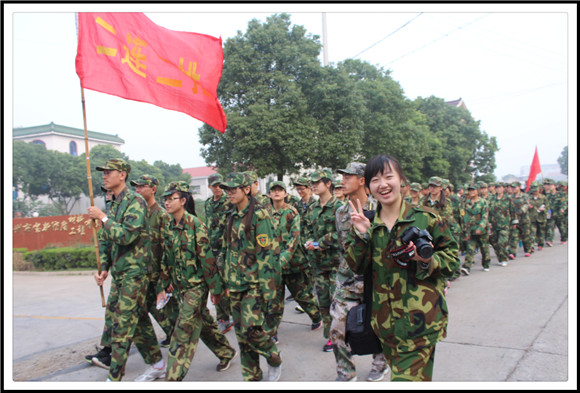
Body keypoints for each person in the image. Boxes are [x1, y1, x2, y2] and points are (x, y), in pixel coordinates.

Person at [346, 154, 459, 381]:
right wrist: (362, 235)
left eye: (389, 177)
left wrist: (426, 259)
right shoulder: (367, 223)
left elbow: (452, 262)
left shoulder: (426, 219)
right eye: (375, 180)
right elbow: (356, 266)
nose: (383, 185)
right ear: (368, 187)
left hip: (421, 324)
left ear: (401, 180)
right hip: (385, 327)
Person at [87, 159, 164, 382]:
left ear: (122, 175)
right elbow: (107, 240)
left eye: (108, 172)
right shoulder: (114, 205)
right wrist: (103, 268)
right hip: (120, 273)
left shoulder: (135, 201)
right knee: (137, 321)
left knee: (121, 326)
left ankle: (114, 378)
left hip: (135, 273)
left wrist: (102, 218)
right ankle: (158, 364)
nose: (104, 176)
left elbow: (127, 235)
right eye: (102, 172)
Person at [156, 181, 236, 381]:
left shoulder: (195, 225)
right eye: (164, 199)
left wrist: (216, 290)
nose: (166, 203)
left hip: (196, 287)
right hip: (181, 286)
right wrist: (165, 282)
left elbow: (207, 260)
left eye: (171, 199)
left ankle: (173, 378)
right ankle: (226, 352)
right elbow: (166, 256)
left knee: (183, 330)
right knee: (204, 323)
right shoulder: (168, 225)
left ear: (183, 201)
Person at [219, 172, 282, 381]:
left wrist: (269, 291)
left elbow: (266, 256)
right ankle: (252, 376)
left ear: (246, 190)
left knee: (252, 331)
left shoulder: (259, 216)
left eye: (233, 189)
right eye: (227, 189)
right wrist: (225, 280)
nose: (229, 193)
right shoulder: (231, 216)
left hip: (254, 284)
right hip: (235, 284)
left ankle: (273, 357)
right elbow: (227, 251)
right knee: (241, 336)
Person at [330, 162, 389, 382]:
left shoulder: (381, 208)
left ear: (362, 180)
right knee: (337, 329)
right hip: (347, 282)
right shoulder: (340, 212)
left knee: (379, 327)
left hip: (375, 282)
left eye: (348, 177)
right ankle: (346, 373)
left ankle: (380, 363)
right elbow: (342, 248)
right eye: (342, 177)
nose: (343, 181)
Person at [265, 181, 322, 343]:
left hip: (293, 264)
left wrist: (282, 259)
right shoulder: (265, 212)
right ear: (269, 194)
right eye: (273, 190)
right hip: (273, 264)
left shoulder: (291, 212)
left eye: (280, 190)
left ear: (285, 194)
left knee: (302, 296)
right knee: (274, 300)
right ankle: (272, 331)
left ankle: (316, 316)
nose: (276, 193)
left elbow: (294, 239)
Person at [131, 175, 179, 348]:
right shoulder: (139, 214)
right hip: (145, 270)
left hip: (161, 271)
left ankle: (180, 337)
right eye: (136, 187)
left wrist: (169, 276)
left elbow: (169, 246)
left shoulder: (161, 215)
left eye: (142, 186)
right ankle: (173, 334)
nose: (138, 190)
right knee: (152, 305)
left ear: (152, 189)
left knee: (170, 308)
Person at [305, 168, 343, 352]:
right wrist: (308, 241)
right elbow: (307, 229)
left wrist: (322, 242)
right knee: (323, 303)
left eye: (317, 182)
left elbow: (344, 233)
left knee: (337, 302)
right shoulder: (312, 208)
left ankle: (341, 336)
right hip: (318, 264)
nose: (313, 186)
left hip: (336, 263)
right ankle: (330, 336)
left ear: (328, 183)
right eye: (311, 183)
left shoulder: (340, 207)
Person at [204, 173, 234, 333]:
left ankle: (228, 316)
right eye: (214, 186)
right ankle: (222, 317)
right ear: (209, 186)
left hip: (224, 248)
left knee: (225, 283)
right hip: (211, 249)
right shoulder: (208, 204)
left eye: (220, 186)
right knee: (215, 284)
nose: (217, 189)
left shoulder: (228, 202)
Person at [460, 183, 491, 274]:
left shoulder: (483, 202)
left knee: (484, 248)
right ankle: (467, 267)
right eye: (470, 190)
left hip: (481, 230)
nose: (471, 192)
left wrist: (480, 228)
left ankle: (486, 264)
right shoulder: (466, 203)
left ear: (477, 191)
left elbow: (485, 217)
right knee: (470, 249)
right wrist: (465, 231)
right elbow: (464, 217)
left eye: (473, 190)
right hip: (470, 230)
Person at [488, 182, 513, 267]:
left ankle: (504, 258)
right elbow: (488, 211)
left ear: (503, 188)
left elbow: (512, 211)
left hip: (504, 225)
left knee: (501, 243)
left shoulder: (508, 199)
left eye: (500, 187)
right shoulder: (491, 199)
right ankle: (500, 257)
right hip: (494, 225)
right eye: (497, 187)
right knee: (494, 243)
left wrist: (514, 221)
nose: (498, 189)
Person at [507, 181, 533, 259]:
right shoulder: (510, 197)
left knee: (526, 236)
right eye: (512, 187)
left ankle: (528, 250)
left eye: (515, 187)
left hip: (524, 219)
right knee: (514, 237)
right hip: (514, 220)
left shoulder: (525, 196)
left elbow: (526, 204)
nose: (513, 189)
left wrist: (521, 210)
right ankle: (512, 253)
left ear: (519, 187)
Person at [528, 182, 549, 251]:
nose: (535, 192)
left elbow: (548, 207)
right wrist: (528, 207)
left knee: (541, 232)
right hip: (532, 218)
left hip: (541, 218)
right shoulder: (529, 198)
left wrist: (544, 209)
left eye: (536, 190)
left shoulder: (543, 197)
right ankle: (531, 246)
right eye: (533, 191)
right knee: (532, 233)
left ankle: (540, 244)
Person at [542, 179, 558, 247]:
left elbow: (563, 203)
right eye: (549, 185)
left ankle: (564, 237)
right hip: (550, 213)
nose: (550, 186)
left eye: (551, 185)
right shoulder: (547, 195)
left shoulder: (559, 194)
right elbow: (545, 203)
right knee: (550, 226)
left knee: (562, 227)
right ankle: (549, 240)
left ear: (555, 186)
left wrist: (563, 209)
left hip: (559, 214)